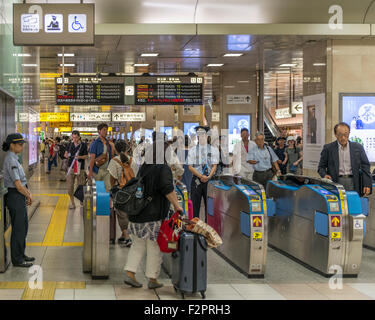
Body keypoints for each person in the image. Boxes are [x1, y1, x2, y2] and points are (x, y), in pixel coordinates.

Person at [123, 140, 183, 289]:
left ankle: (130, 273)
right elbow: (168, 189)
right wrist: (177, 206)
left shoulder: (145, 166)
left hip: (137, 213)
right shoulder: (163, 168)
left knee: (138, 245)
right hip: (152, 215)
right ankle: (152, 278)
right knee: (154, 246)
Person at [2, 133, 35, 267]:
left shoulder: (15, 158)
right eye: (20, 144)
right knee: (18, 228)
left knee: (23, 227)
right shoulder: (10, 160)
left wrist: (27, 193)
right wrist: (28, 195)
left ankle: (21, 254)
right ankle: (17, 259)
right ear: (12, 145)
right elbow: (17, 184)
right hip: (14, 195)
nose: (22, 147)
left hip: (19, 195)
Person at [318, 122, 371, 196]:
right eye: (340, 135)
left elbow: (365, 166)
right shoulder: (328, 148)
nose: (343, 137)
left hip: (353, 181)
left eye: (346, 134)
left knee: (353, 204)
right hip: (335, 182)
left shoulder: (358, 147)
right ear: (335, 134)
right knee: (338, 205)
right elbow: (321, 167)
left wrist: (367, 184)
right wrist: (324, 175)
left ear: (349, 133)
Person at [108, 139, 138, 246]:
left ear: (115, 149)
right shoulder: (133, 160)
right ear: (128, 148)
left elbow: (112, 178)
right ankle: (124, 234)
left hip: (121, 191)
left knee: (121, 213)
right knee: (130, 212)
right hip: (133, 190)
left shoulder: (114, 161)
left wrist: (113, 190)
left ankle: (126, 236)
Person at [188, 126, 219, 221]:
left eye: (203, 135)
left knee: (209, 207)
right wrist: (201, 176)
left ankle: (208, 227)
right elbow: (190, 166)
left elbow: (214, 165)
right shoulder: (193, 150)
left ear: (207, 136)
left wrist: (209, 176)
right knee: (195, 206)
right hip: (196, 180)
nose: (201, 137)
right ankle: (195, 229)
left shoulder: (213, 150)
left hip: (209, 181)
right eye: (199, 136)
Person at [65, 131, 88, 209]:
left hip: (79, 168)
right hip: (70, 167)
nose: (74, 139)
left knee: (81, 185)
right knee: (70, 187)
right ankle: (72, 203)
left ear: (79, 137)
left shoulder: (83, 145)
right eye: (73, 137)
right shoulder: (69, 145)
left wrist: (79, 157)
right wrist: (67, 155)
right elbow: (65, 154)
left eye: (75, 137)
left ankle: (81, 200)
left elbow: (86, 156)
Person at [88, 123, 114, 192]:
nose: (106, 132)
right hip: (97, 170)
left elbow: (111, 156)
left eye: (107, 130)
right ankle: (97, 203)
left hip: (107, 170)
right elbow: (92, 158)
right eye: (104, 130)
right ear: (99, 131)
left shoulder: (108, 143)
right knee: (97, 190)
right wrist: (90, 171)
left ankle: (105, 203)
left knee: (107, 190)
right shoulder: (95, 143)